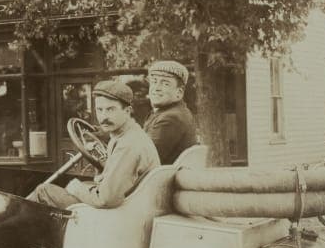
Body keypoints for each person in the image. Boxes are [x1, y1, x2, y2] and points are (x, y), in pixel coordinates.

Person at [29, 79, 159, 210]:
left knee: (43, 191)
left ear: (127, 111)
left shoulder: (128, 144)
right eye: (99, 109)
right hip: (129, 206)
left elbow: (106, 200)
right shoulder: (124, 134)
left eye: (110, 109)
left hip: (121, 214)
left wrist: (77, 189)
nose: (103, 117)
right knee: (82, 185)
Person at [143, 59, 198, 164]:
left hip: (162, 179)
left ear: (179, 92)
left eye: (165, 84)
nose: (156, 88)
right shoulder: (169, 112)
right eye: (154, 82)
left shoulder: (171, 118)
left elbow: (144, 160)